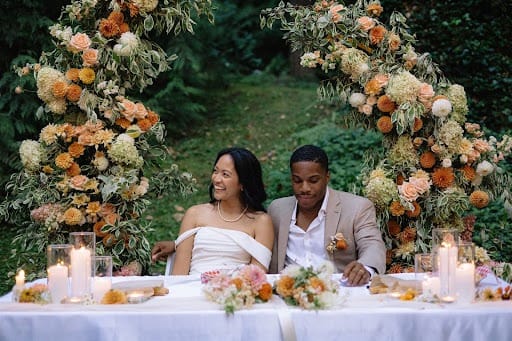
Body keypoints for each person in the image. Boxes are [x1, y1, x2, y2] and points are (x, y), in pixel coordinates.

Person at [267, 145, 386, 286]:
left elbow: (372, 244)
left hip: (338, 291)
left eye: (313, 180)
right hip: (287, 293)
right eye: (297, 180)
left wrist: (365, 268)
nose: (304, 188)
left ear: (327, 177)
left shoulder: (356, 207)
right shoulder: (277, 209)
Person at [155, 147, 274, 275]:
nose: (216, 179)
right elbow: (178, 275)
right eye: (215, 171)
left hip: (236, 292)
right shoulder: (194, 214)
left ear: (243, 183)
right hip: (190, 290)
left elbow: (257, 277)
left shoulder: (261, 221)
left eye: (225, 174)